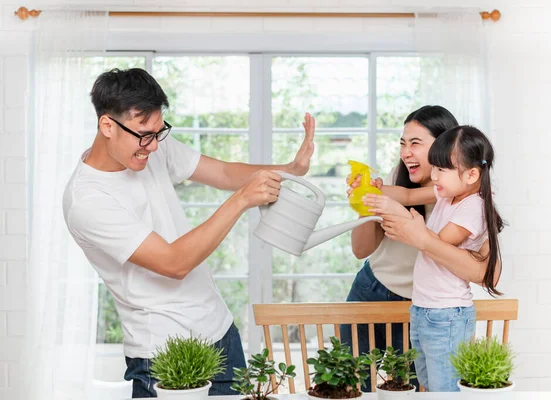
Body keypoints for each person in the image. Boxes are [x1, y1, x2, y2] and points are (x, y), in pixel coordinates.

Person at [62, 68, 315, 398]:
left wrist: (291, 170)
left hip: (219, 332)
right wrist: (241, 200)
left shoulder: (151, 148)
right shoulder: (88, 199)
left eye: (158, 131)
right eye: (144, 134)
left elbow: (223, 172)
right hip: (162, 352)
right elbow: (173, 263)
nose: (152, 146)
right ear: (107, 125)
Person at [365, 125, 504, 392]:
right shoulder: (448, 194)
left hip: (447, 314)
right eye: (435, 168)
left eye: (442, 169)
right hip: (424, 308)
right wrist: (376, 190)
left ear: (471, 174)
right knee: (428, 385)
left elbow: (435, 243)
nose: (434, 176)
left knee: (445, 388)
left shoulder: (472, 207)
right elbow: (407, 195)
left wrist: (397, 213)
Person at [340, 105, 459, 391]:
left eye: (415, 144)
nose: (406, 152)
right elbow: (361, 249)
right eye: (403, 143)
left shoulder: (460, 194)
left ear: (445, 146)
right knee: (349, 387)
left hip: (418, 307)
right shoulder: (397, 178)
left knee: (410, 392)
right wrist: (364, 203)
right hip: (370, 290)